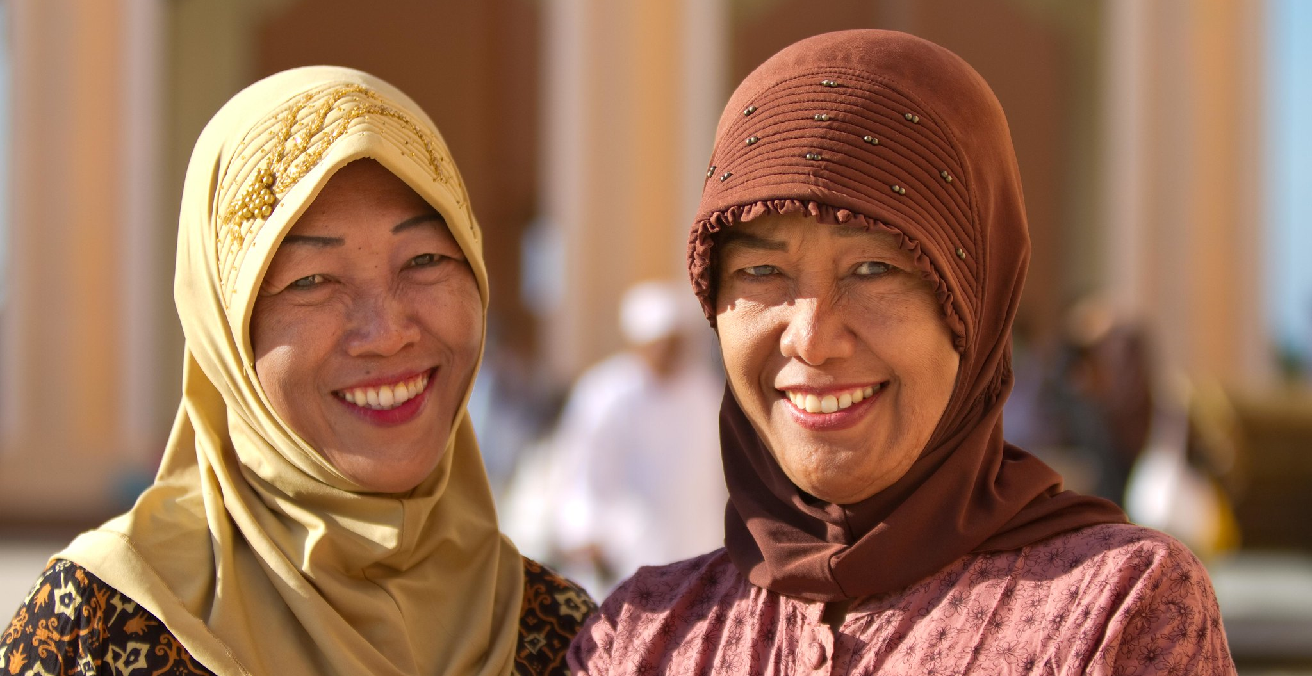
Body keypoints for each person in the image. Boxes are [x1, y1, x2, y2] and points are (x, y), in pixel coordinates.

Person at [568, 30, 1235, 674]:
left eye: (872, 270)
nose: (811, 337)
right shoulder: (639, 637)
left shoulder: (1119, 615)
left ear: (976, 301)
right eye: (762, 274)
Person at [1, 67, 593, 676]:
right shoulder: (97, 627)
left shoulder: (569, 638)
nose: (387, 333)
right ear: (225, 329)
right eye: (311, 280)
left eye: (424, 259)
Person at [545, 280, 726, 593]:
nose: (668, 352)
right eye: (660, 342)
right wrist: (585, 531)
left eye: (675, 342)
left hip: (698, 548)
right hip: (626, 556)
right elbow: (581, 469)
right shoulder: (605, 393)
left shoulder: (706, 393)